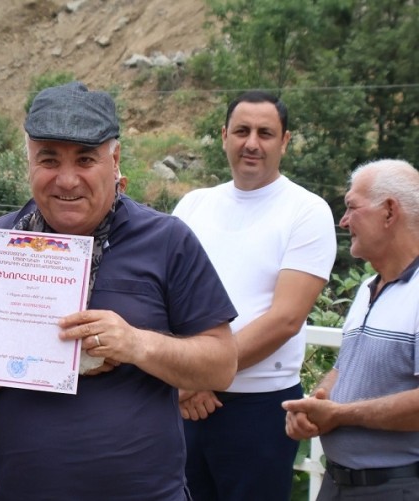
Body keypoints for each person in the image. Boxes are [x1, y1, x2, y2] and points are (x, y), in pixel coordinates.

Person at [0, 81, 238, 500]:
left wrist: (136, 344)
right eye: (49, 159)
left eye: (85, 159)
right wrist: (48, 353)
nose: (67, 180)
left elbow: (221, 365)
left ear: (114, 160)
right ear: (28, 160)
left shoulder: (166, 240)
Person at [172, 90, 337, 500]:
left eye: (265, 133)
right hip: (184, 403)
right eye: (242, 131)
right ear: (224, 135)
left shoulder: (307, 210)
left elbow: (285, 319)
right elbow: (163, 298)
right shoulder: (193, 205)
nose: (252, 143)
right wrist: (185, 378)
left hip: (258, 408)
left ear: (285, 141)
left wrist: (203, 373)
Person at [282, 159, 419, 500]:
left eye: (351, 207)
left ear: (389, 212)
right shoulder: (368, 288)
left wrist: (340, 415)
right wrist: (316, 404)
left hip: (396, 487)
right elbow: (345, 368)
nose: (343, 221)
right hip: (340, 483)